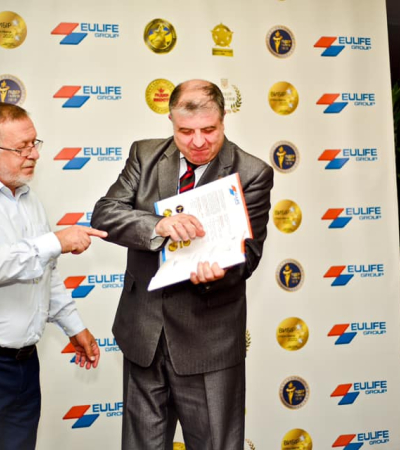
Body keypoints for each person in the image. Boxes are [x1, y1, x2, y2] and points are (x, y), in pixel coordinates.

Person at [91, 79, 274, 449]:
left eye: (209, 130)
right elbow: (105, 214)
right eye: (185, 132)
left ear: (224, 119)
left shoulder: (252, 173)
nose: (198, 141)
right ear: (171, 121)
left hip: (208, 342)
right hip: (144, 335)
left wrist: (219, 274)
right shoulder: (145, 155)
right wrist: (156, 225)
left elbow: (248, 255)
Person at [0, 102, 107, 450]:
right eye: (21, 147)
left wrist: (75, 327)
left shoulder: (29, 200)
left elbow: (45, 273)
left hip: (24, 365)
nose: (34, 154)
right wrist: (55, 241)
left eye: (34, 143)